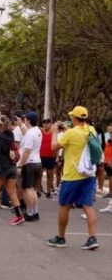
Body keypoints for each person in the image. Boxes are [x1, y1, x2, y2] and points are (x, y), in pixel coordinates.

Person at [47, 106, 98, 250]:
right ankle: (92, 238)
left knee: (65, 205)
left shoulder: (71, 134)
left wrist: (55, 132)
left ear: (74, 118)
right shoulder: (91, 130)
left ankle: (61, 237)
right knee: (88, 205)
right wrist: (65, 130)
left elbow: (54, 147)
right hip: (89, 174)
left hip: (72, 175)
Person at [16, 112, 42, 221]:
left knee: (27, 189)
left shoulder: (31, 133)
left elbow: (26, 151)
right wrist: (20, 124)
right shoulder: (37, 131)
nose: (24, 121)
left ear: (29, 120)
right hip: (37, 162)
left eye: (25, 119)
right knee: (32, 189)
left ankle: (30, 213)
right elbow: (26, 132)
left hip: (29, 163)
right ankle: (35, 212)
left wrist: (20, 166)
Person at [40, 118, 58, 198]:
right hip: (41, 156)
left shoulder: (53, 133)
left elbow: (56, 145)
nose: (45, 124)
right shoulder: (40, 132)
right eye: (44, 123)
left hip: (51, 156)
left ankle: (48, 191)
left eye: (47, 123)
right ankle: (38, 190)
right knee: (39, 175)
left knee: (50, 175)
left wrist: (57, 157)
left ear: (50, 124)